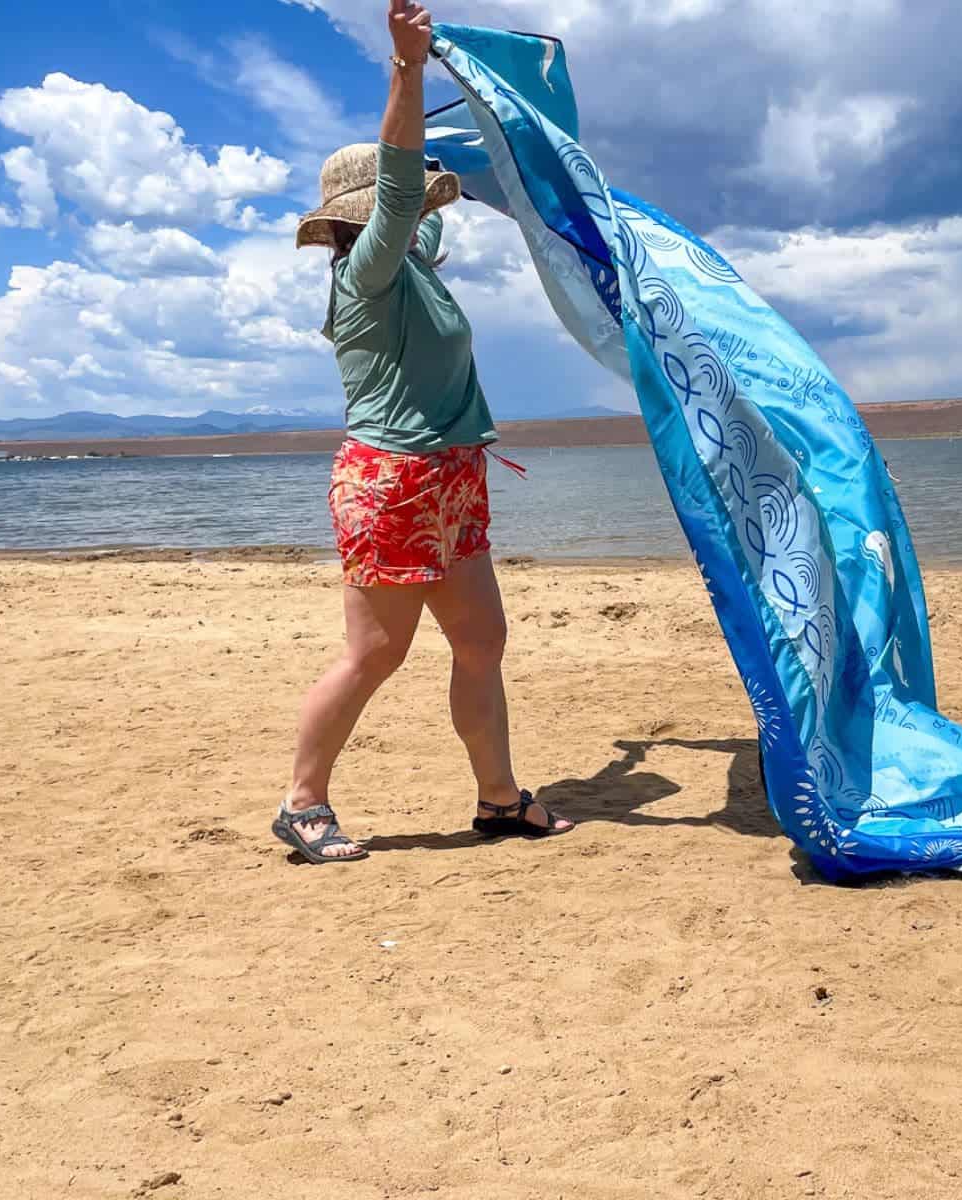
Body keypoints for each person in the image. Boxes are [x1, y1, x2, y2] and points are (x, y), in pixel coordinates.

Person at [275, 0, 572, 863]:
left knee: (482, 642)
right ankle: (302, 804)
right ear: (365, 215)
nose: (422, 217)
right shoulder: (368, 270)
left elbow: (426, 198)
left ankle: (499, 799)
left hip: (450, 476)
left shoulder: (413, 267)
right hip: (394, 479)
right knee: (375, 655)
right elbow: (408, 190)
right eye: (404, 207)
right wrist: (407, 71)